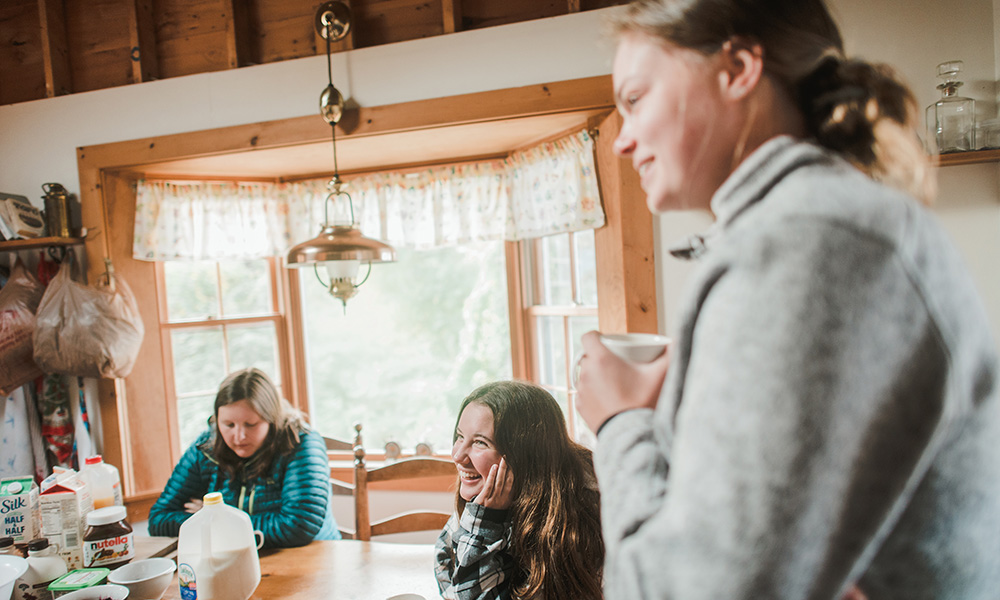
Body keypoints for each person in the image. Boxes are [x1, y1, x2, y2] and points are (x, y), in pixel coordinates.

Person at [574, 1, 1000, 599]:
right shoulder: (806, 229)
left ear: (739, 68)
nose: (622, 141)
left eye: (636, 98)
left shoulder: (810, 240)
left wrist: (620, 422)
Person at [435, 380, 604, 600]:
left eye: (480, 443)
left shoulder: (574, 520)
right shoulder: (488, 499)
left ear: (525, 457)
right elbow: (447, 567)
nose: (457, 456)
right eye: (459, 437)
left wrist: (486, 525)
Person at [148, 368, 341, 547]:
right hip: (239, 560)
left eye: (251, 424)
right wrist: (227, 525)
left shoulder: (301, 442)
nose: (239, 436)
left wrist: (215, 521)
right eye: (228, 424)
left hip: (310, 558)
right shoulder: (205, 446)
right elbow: (159, 520)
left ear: (271, 419)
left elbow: (298, 526)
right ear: (216, 419)